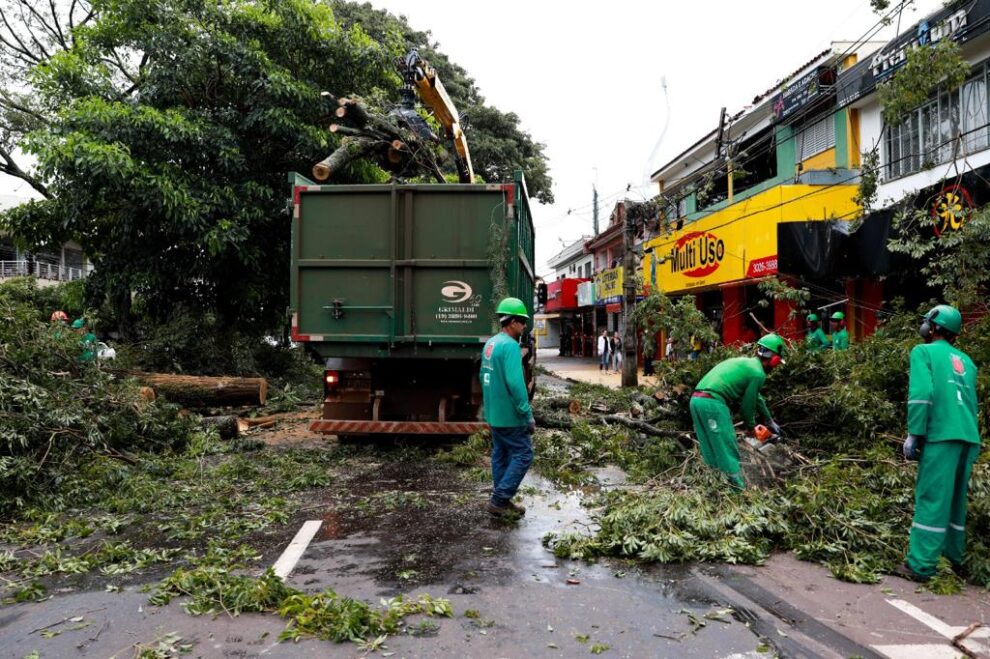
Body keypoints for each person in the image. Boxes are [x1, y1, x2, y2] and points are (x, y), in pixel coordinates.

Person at [895, 305, 979, 583]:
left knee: (932, 498)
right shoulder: (968, 362)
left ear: (933, 327)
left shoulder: (923, 352)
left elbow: (922, 394)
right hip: (967, 436)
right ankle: (954, 558)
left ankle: (920, 565)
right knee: (955, 500)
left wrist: (914, 433)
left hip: (941, 435)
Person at [689, 334, 786, 489]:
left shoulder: (747, 364)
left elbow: (757, 398)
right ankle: (737, 491)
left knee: (710, 449)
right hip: (713, 404)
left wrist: (769, 420)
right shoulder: (758, 373)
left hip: (696, 401)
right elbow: (747, 407)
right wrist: (751, 428)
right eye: (777, 363)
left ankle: (714, 486)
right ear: (774, 359)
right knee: (728, 449)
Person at [481, 297, 536, 520]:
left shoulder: (491, 343)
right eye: (522, 322)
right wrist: (527, 415)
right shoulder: (511, 347)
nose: (524, 326)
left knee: (501, 454)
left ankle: (502, 500)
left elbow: (483, 377)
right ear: (512, 322)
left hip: (495, 414)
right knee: (524, 454)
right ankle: (500, 499)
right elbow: (516, 384)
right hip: (511, 416)